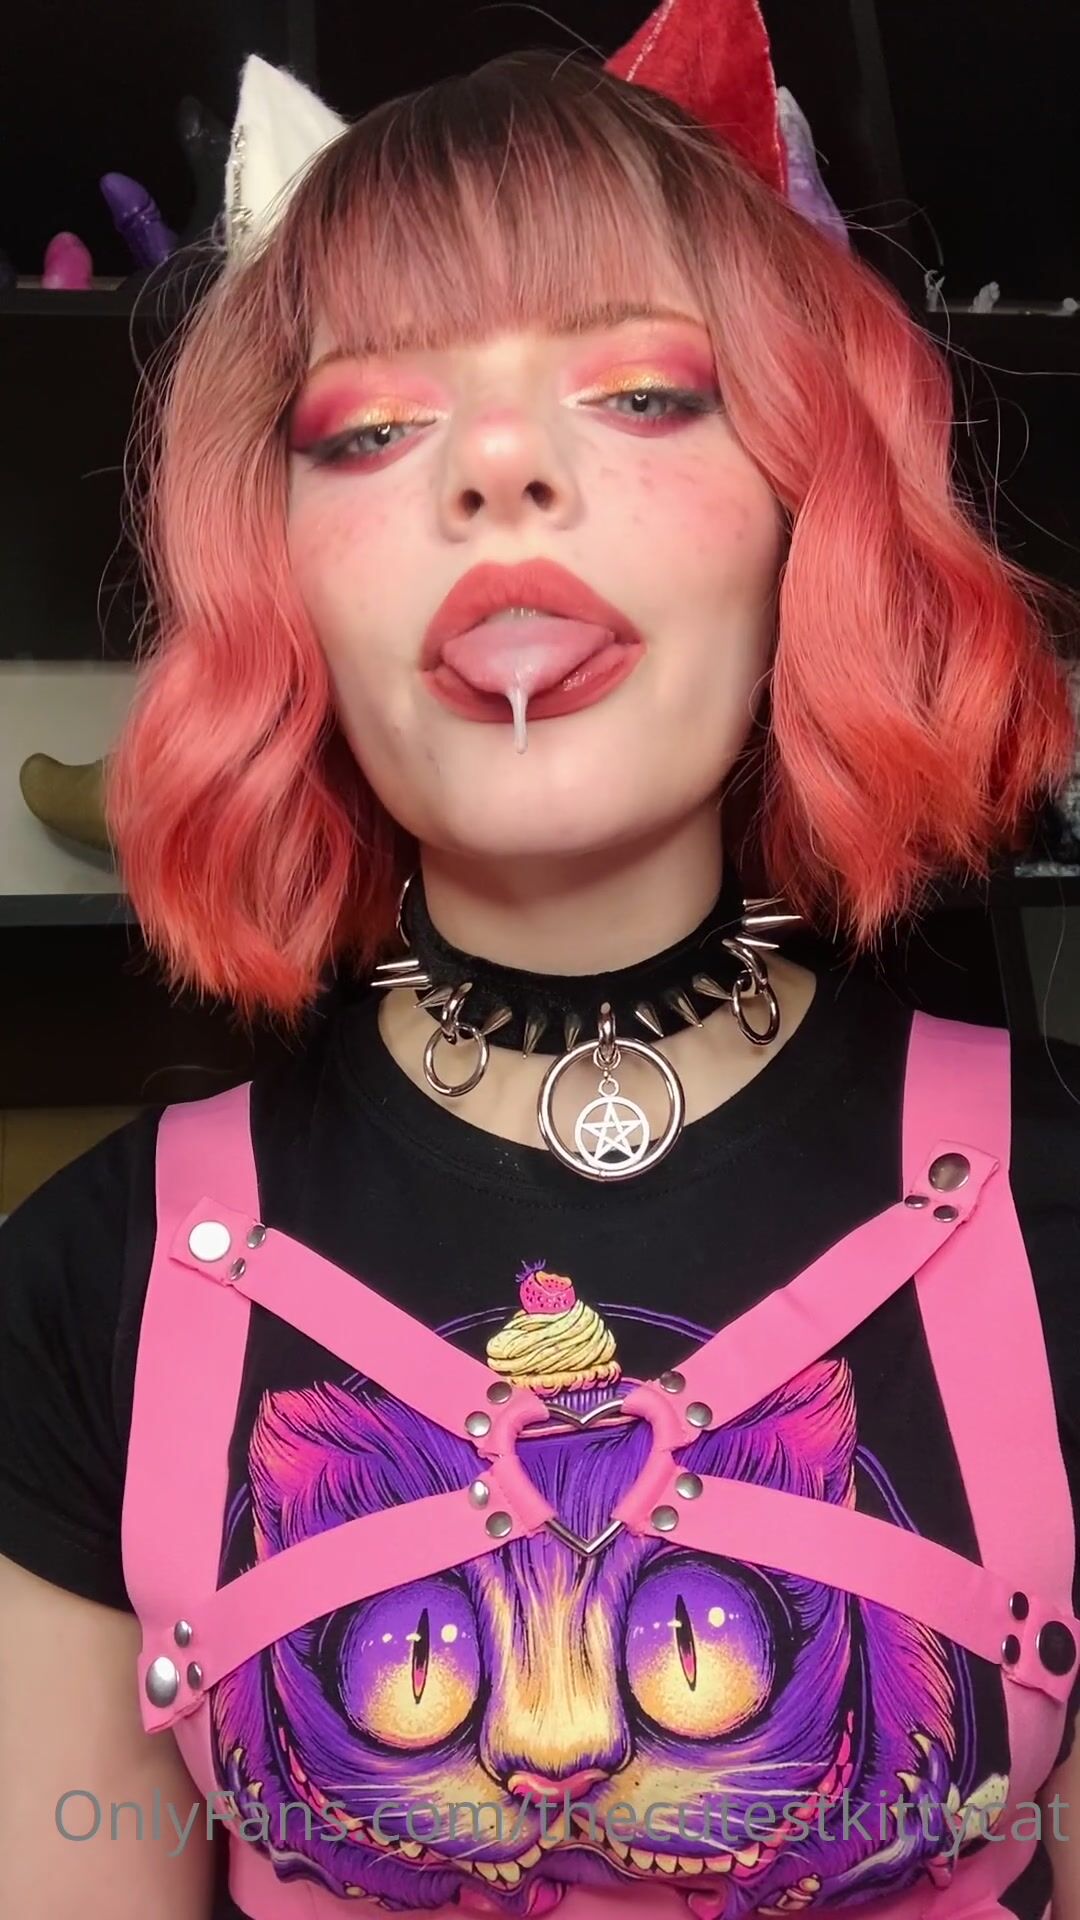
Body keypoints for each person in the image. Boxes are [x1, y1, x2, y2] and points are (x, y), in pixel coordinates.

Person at [2, 4, 1079, 1918]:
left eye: (644, 393)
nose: (497, 469)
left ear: (805, 512)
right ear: (280, 578)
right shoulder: (80, 1286)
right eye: (370, 429)